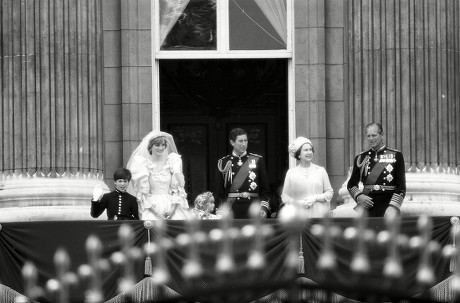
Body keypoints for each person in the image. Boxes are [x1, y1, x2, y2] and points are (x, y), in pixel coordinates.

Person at [126, 130, 190, 220]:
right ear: (150, 147)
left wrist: (172, 210)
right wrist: (157, 215)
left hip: (172, 205)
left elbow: (178, 190)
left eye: (163, 145)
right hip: (152, 207)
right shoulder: (143, 164)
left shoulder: (172, 162)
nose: (161, 148)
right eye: (157, 145)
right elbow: (144, 194)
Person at [347, 122, 406, 217]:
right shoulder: (361, 157)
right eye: (368, 136)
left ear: (382, 135)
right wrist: (359, 196)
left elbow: (401, 186)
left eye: (374, 135)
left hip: (388, 206)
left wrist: (393, 206)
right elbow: (351, 185)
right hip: (367, 207)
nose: (371, 139)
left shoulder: (396, 156)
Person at [215, 128, 271, 219]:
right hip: (231, 208)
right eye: (240, 141)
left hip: (253, 207)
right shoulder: (223, 162)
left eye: (245, 141)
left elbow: (265, 190)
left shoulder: (257, 160)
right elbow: (219, 191)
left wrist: (263, 208)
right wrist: (220, 210)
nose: (244, 144)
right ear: (232, 143)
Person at [281, 137, 333, 217]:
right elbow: (285, 196)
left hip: (318, 215)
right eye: (305, 150)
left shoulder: (320, 171)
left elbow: (329, 193)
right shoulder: (291, 173)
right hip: (299, 216)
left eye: (310, 150)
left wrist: (315, 198)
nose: (309, 152)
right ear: (298, 154)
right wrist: (297, 203)